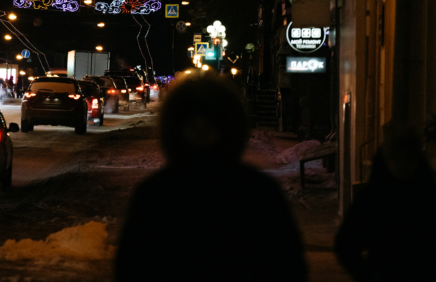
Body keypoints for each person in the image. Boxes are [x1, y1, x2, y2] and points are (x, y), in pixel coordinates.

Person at [115, 71, 307, 282]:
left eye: (209, 125)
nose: (201, 132)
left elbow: (130, 267)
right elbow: (290, 266)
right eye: (193, 125)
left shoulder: (157, 193)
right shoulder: (257, 191)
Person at [335, 125, 436, 281]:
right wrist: (370, 274)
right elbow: (346, 245)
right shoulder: (373, 199)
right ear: (387, 157)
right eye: (396, 156)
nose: (402, 164)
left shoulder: (428, 196)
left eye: (409, 157)